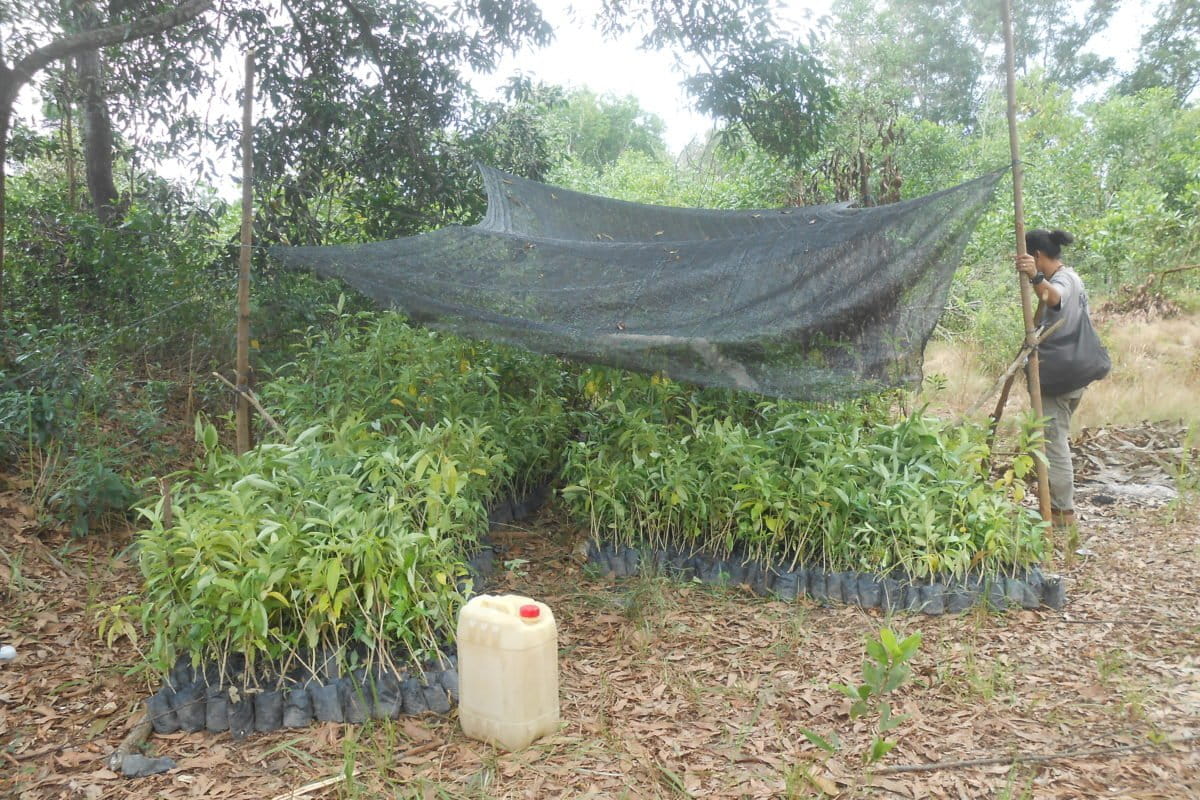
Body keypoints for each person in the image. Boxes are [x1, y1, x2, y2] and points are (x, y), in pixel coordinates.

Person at [1014, 229, 1110, 529]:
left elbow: (1052, 298)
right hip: (1074, 373)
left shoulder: (1063, 280)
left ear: (1037, 255)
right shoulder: (1072, 276)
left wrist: (1035, 277)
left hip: (1061, 378)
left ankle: (1063, 514)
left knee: (1054, 445)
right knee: (1052, 439)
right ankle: (1055, 509)